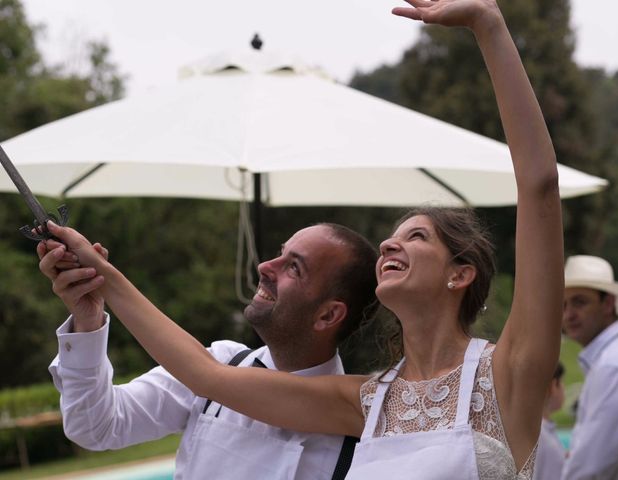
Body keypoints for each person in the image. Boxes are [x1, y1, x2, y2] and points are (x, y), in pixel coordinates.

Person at [40, 0, 564, 478]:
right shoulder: (367, 400)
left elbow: (539, 187)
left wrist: (488, 25)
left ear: (460, 273)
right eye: (390, 238)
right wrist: (103, 281)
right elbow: (203, 373)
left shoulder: (508, 374)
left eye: (417, 236)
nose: (388, 245)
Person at [41, 223, 379, 479]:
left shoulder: (364, 432)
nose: (265, 266)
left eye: (294, 267)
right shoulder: (222, 359)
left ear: (328, 315)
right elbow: (96, 427)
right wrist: (88, 323)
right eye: (279, 252)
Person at [561, 255, 618, 479]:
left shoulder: (614, 364)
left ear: (608, 304)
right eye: (563, 305)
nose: (568, 315)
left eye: (580, 302)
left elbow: (590, 467)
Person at [533, 362, 566, 480]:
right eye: (561, 383)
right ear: (552, 387)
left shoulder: (542, 431)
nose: (564, 388)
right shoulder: (542, 437)